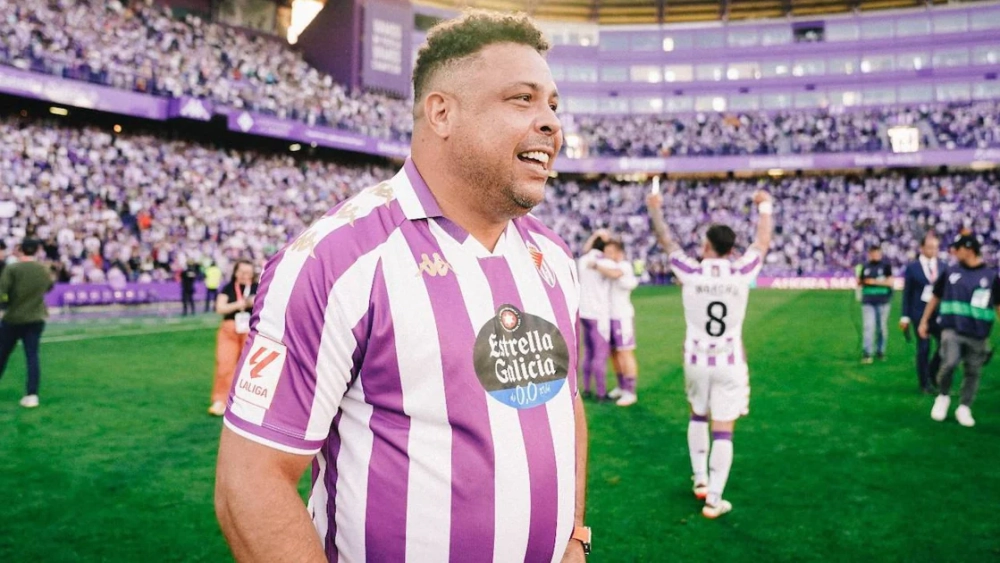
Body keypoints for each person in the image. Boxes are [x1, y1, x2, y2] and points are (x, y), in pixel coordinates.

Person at [214, 11, 591, 562]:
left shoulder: (552, 257)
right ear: (441, 112)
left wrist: (576, 534)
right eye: (522, 99)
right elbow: (251, 481)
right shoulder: (337, 262)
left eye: (553, 104)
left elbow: (565, 402)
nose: (551, 123)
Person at [647, 189, 773, 519]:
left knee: (697, 415)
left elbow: (666, 241)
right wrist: (765, 207)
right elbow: (762, 244)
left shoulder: (690, 270)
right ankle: (715, 498)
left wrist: (656, 210)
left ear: (706, 245)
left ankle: (700, 479)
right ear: (732, 249)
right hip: (729, 360)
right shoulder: (741, 272)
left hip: (695, 359)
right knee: (724, 429)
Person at [919, 233, 1000, 427]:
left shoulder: (991, 277)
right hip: (952, 328)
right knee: (949, 362)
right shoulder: (949, 272)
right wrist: (924, 321)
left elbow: (998, 305)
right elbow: (935, 297)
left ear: (969, 250)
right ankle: (943, 396)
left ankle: (964, 407)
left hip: (978, 333)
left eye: (958, 248)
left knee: (973, 371)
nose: (954, 251)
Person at [0, 239, 55, 408]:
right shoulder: (43, 269)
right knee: (32, 356)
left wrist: (5, 305)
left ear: (21, 250)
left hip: (14, 317)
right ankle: (32, 394)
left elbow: (2, 291)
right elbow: (49, 286)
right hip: (36, 317)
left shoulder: (13, 268)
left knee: (2, 354)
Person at [208, 259, 257, 417]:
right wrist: (239, 304)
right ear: (235, 272)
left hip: (250, 330)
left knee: (249, 369)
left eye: (248, 273)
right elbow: (220, 308)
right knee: (225, 365)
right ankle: (220, 400)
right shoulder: (228, 288)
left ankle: (246, 402)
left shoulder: (258, 287)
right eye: (242, 272)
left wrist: (251, 302)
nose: (244, 275)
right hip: (229, 330)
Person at [899, 232, 944, 393]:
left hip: (939, 313)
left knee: (945, 345)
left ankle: (933, 371)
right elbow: (907, 293)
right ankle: (924, 383)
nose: (934, 251)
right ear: (922, 248)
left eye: (936, 248)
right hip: (919, 314)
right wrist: (904, 316)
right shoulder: (912, 268)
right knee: (923, 348)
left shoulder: (943, 266)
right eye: (930, 247)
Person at [600, 239, 640, 407]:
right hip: (609, 315)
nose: (606, 256)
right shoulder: (610, 266)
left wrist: (594, 265)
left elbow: (614, 274)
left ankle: (630, 391)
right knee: (614, 353)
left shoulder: (623, 266)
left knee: (625, 352)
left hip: (621, 316)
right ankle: (621, 385)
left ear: (618, 253)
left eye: (609, 252)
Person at [577, 229, 612, 400]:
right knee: (600, 354)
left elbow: (586, 249)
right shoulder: (606, 261)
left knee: (588, 352)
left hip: (583, 311)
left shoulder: (583, 260)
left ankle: (586, 388)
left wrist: (596, 235)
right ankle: (601, 392)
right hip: (599, 313)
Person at [858, 244, 894, 363]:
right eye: (873, 253)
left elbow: (890, 282)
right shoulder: (865, 266)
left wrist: (874, 282)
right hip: (868, 301)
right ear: (870, 254)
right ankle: (867, 353)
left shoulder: (886, 266)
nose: (875, 255)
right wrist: (860, 281)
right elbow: (860, 282)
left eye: (877, 253)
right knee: (868, 327)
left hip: (883, 301)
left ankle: (880, 351)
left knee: (881, 328)